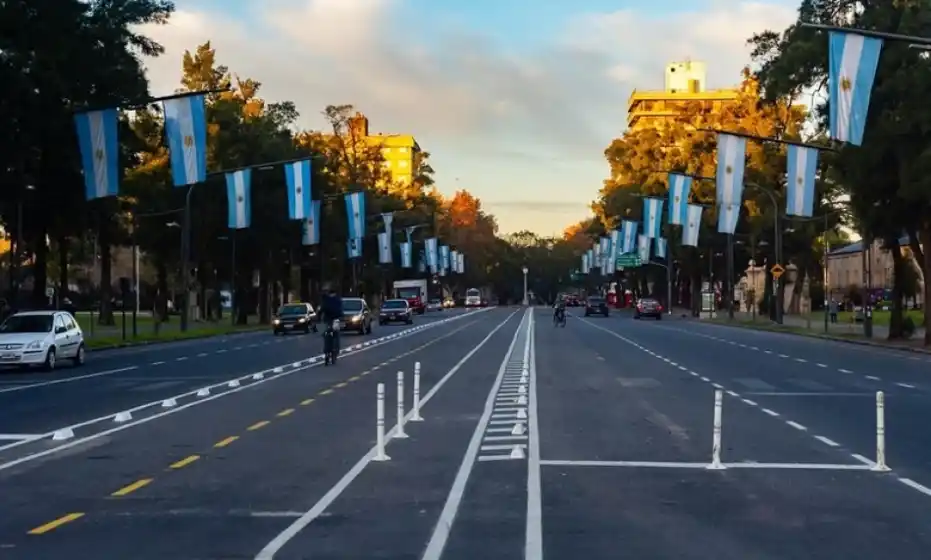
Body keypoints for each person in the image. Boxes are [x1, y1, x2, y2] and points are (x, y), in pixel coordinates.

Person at [319, 287, 344, 355]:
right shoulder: (338, 300)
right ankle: (336, 349)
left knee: (325, 334)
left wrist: (318, 318)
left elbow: (321, 310)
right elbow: (341, 311)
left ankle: (326, 349)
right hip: (336, 320)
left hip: (327, 320)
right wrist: (342, 318)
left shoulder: (325, 299)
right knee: (337, 334)